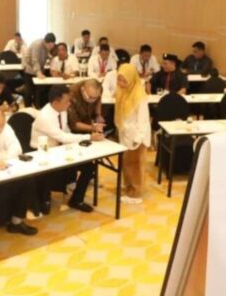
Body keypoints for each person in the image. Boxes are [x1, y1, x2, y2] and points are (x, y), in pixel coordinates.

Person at [30, 85, 104, 214]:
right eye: (66, 101)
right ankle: (44, 198)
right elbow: (62, 136)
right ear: (55, 102)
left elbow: (66, 131)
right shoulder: (45, 117)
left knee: (88, 166)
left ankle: (77, 200)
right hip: (43, 152)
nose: (69, 104)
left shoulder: (62, 111)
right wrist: (89, 137)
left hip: (60, 149)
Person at [65, 79, 107, 212]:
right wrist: (93, 128)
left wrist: (98, 115)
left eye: (95, 97)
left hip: (86, 122)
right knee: (80, 160)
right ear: (83, 90)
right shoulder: (71, 95)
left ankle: (88, 177)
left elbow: (98, 100)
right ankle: (72, 181)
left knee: (90, 157)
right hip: (70, 130)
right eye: (90, 97)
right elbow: (74, 124)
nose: (92, 100)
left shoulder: (97, 90)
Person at [115, 64, 151, 204]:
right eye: (119, 79)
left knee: (135, 165)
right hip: (126, 134)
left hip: (137, 136)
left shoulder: (139, 96)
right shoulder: (123, 92)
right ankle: (129, 187)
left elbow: (143, 120)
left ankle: (135, 194)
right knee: (127, 163)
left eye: (124, 80)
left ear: (131, 79)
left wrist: (138, 138)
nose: (120, 83)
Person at [22, 33, 56, 107]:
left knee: (39, 91)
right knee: (29, 91)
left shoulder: (47, 46)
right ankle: (28, 108)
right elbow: (35, 60)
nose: (50, 48)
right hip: (29, 68)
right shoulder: (37, 45)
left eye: (52, 46)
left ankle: (37, 106)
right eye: (50, 46)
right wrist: (38, 73)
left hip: (38, 69)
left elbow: (46, 55)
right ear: (46, 42)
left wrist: (51, 58)